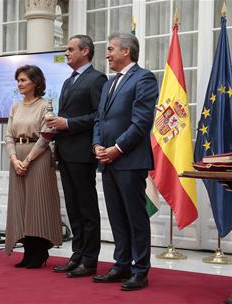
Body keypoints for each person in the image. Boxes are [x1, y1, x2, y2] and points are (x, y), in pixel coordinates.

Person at [92, 33, 158, 291]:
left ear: (126, 52)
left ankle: (140, 270)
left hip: (129, 160)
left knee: (135, 218)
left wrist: (116, 149)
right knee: (117, 217)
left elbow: (141, 122)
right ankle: (121, 265)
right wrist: (97, 145)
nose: (107, 54)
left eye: (110, 49)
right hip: (107, 160)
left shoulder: (144, 78)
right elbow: (99, 119)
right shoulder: (109, 84)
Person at [46, 35, 107, 278]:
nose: (67, 53)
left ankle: (90, 260)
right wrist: (56, 125)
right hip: (65, 152)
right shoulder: (68, 81)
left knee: (86, 208)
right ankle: (77, 255)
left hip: (82, 153)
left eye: (71, 49)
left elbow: (99, 116)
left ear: (85, 51)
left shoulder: (97, 79)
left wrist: (67, 123)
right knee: (73, 208)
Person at [4, 65, 62, 268]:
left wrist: (27, 161)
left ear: (35, 82)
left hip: (38, 159)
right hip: (17, 160)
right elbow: (9, 135)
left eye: (23, 80)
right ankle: (28, 252)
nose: (19, 84)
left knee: (38, 205)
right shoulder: (15, 107)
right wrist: (14, 159)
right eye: (18, 80)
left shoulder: (46, 106)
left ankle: (39, 252)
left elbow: (46, 137)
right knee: (21, 205)